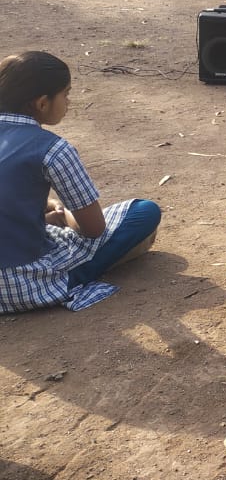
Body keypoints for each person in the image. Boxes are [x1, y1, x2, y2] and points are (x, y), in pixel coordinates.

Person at [0, 51, 160, 313]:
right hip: (21, 285)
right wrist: (63, 213)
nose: (68, 102)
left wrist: (43, 211)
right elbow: (93, 229)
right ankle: (70, 278)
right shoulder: (52, 149)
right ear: (42, 103)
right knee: (144, 212)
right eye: (65, 94)